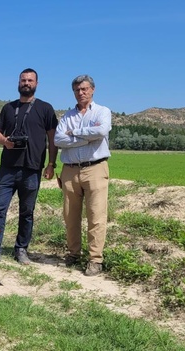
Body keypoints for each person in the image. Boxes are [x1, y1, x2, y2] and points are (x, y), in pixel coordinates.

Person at [0, 68, 58, 264]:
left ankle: (21, 249)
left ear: (37, 84)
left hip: (32, 168)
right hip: (7, 168)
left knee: (27, 212)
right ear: (18, 83)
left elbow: (52, 139)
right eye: (23, 80)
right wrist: (5, 141)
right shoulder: (8, 108)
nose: (26, 83)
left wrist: (51, 164)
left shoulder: (45, 109)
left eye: (30, 80)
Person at [54, 74, 112, 276]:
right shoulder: (67, 116)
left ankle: (95, 259)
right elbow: (58, 140)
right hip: (70, 170)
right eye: (77, 90)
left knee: (96, 215)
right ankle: (73, 254)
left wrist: (74, 133)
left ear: (93, 90)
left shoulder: (103, 112)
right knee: (70, 216)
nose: (81, 93)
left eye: (84, 89)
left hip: (95, 168)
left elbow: (102, 131)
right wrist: (85, 137)